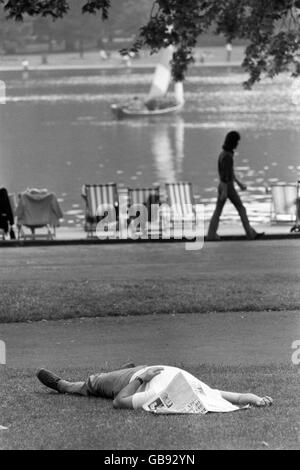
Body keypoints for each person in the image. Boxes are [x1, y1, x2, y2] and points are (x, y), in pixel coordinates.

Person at [37, 364, 273, 412]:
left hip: (134, 377)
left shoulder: (159, 396)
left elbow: (119, 402)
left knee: (94, 383)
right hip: (149, 368)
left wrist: (141, 378)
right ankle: (124, 368)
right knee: (121, 372)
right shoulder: (199, 391)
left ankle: (63, 385)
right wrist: (253, 398)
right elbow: (230, 395)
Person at [207, 131, 265, 241]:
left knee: (218, 211)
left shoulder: (223, 154)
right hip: (227, 187)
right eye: (237, 141)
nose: (238, 144)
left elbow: (229, 172)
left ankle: (211, 234)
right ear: (233, 142)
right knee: (241, 209)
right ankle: (250, 233)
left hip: (224, 186)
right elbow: (225, 175)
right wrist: (225, 191)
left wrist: (239, 183)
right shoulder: (227, 157)